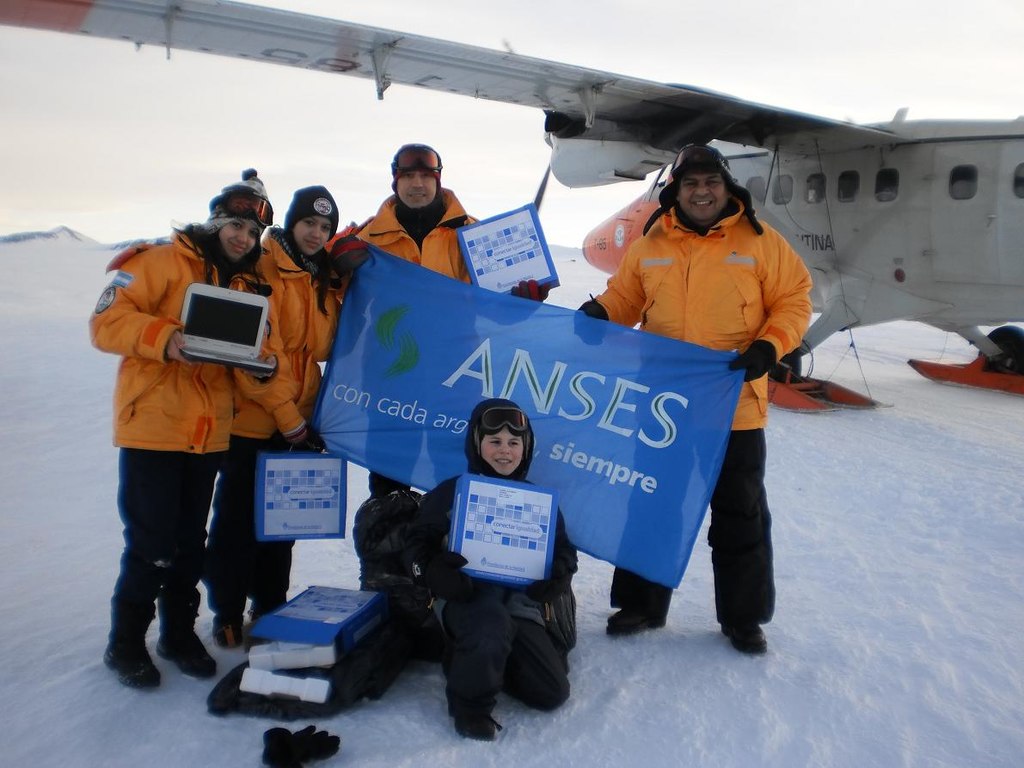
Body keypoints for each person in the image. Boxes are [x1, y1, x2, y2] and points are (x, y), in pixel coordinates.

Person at [579, 144, 813, 655]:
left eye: (710, 182)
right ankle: (642, 603)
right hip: (663, 407)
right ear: (675, 192)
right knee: (652, 505)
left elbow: (795, 300)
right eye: (691, 184)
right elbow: (626, 297)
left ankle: (742, 617)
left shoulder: (761, 242)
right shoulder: (652, 242)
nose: (701, 192)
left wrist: (769, 346)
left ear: (727, 188)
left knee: (740, 513)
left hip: (735, 408)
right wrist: (600, 314)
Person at [91, 169, 279, 687]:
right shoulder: (157, 261)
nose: (242, 238)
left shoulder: (247, 286)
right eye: (235, 226)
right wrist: (165, 336)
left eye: (252, 232)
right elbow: (105, 323)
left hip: (209, 432)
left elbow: (258, 349)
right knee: (152, 542)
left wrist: (263, 364)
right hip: (153, 426)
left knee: (190, 544)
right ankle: (125, 643)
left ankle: (177, 634)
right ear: (216, 221)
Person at [340, 143, 548, 501]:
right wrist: (336, 262)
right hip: (391, 375)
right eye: (408, 176)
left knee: (451, 469)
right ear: (395, 182)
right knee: (388, 478)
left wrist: (522, 300)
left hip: (453, 374)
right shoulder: (367, 237)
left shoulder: (474, 235)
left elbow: (495, 308)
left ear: (438, 180)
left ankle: (444, 549)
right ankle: (387, 549)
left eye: (425, 176)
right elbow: (334, 296)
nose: (417, 184)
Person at [204, 185, 349, 648]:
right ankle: (226, 611)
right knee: (236, 523)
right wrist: (288, 416)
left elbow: (324, 350)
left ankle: (268, 606)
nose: (316, 233)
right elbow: (249, 357)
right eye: (309, 223)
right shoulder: (256, 271)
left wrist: (308, 418)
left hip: (298, 423)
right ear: (291, 223)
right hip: (252, 422)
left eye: (325, 227)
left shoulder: (321, 279)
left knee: (280, 529)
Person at [402, 399, 578, 741]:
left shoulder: (537, 501)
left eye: (514, 443)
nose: (504, 451)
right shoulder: (452, 491)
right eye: (494, 441)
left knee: (551, 693)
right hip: (467, 599)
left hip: (520, 605)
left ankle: (483, 659)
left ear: (525, 450)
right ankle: (470, 705)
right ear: (476, 443)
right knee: (489, 627)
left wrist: (559, 574)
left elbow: (563, 550)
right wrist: (434, 572)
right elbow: (414, 546)